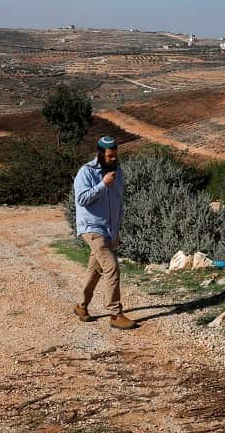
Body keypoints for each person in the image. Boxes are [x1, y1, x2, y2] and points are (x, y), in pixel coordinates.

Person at [72, 136, 136, 329]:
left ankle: (81, 306)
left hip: (108, 230)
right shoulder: (87, 172)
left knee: (96, 269)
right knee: (112, 267)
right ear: (100, 154)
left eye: (116, 156)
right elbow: (81, 199)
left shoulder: (118, 171)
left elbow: (117, 202)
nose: (114, 160)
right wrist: (103, 185)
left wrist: (115, 231)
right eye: (110, 156)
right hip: (91, 228)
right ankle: (115, 314)